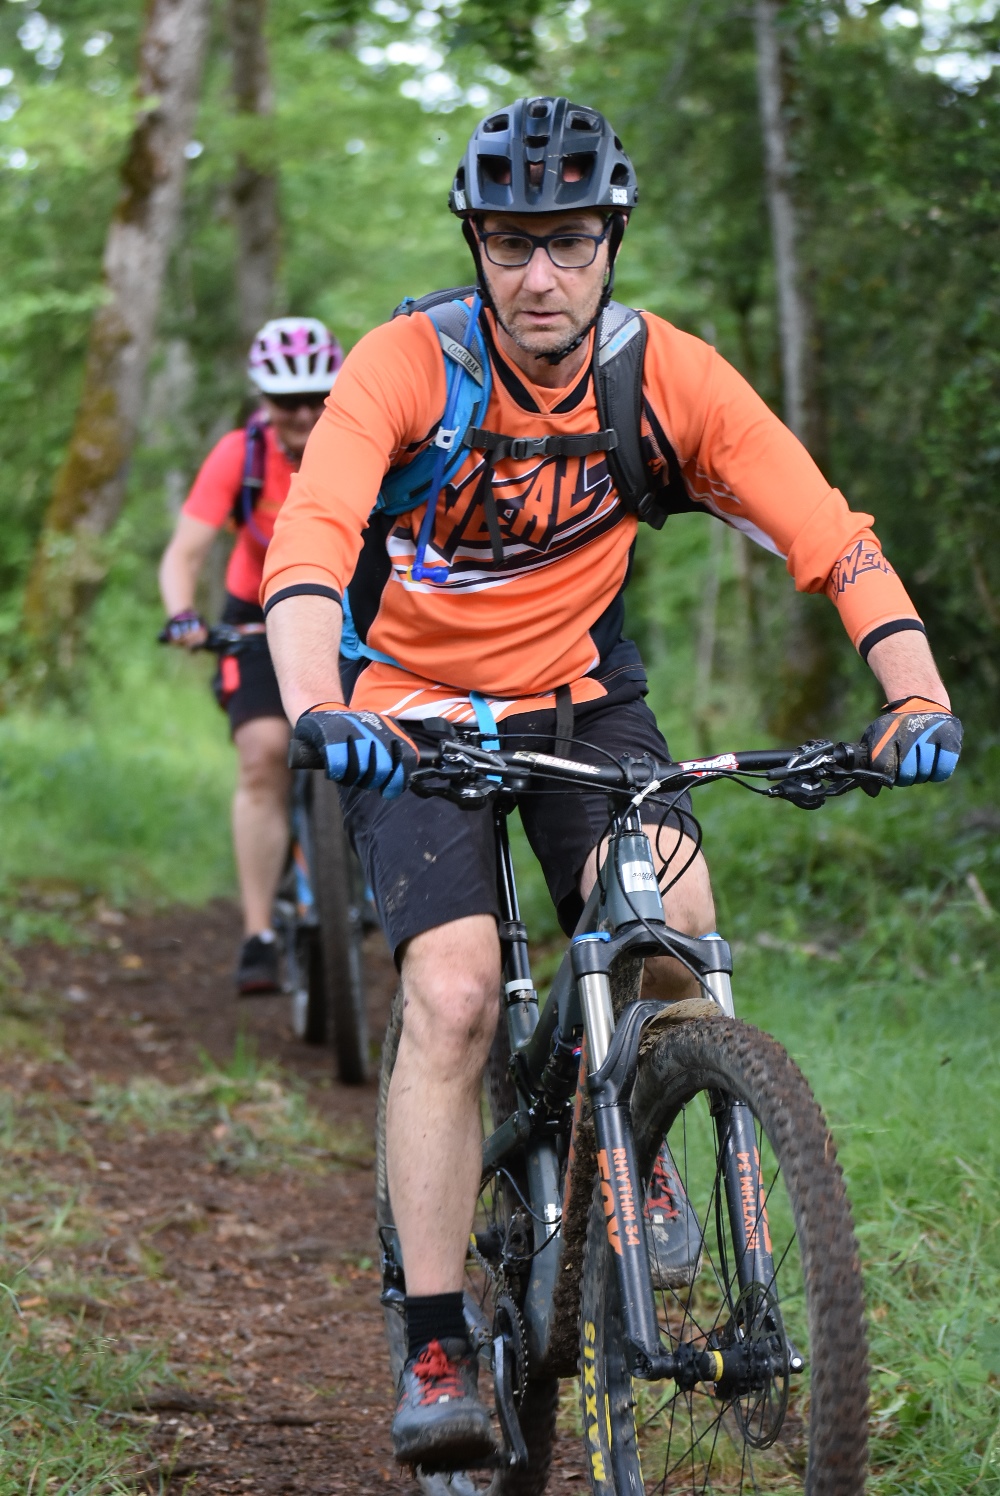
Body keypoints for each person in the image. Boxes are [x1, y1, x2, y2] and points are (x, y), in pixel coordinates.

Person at [259, 97, 962, 1467]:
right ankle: (438, 1335)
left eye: (570, 242)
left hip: (583, 700)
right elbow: (312, 540)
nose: (541, 275)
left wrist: (915, 693)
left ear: (610, 242)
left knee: (674, 922)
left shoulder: (665, 376)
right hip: (407, 713)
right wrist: (316, 710)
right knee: (455, 991)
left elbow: (830, 536)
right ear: (475, 245)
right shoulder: (408, 366)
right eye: (510, 244)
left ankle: (635, 1131)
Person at [158, 317, 343, 994]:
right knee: (264, 753)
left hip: (348, 612)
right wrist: (183, 614)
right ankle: (260, 933)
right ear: (263, 400)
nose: (302, 414)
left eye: (315, 398)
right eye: (286, 401)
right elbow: (184, 553)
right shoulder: (240, 455)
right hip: (257, 618)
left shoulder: (358, 441)